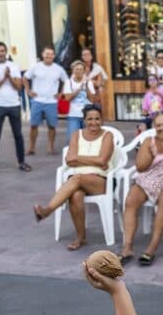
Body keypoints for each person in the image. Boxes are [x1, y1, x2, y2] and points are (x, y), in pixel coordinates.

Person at [33, 105, 115, 251]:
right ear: (84, 120)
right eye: (90, 119)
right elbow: (69, 160)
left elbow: (102, 160)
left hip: (100, 181)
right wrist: (93, 160)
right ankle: (80, 237)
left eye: (97, 119)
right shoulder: (77, 134)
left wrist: (78, 158)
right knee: (75, 195)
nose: (94, 122)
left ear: (102, 120)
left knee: (76, 179)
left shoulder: (107, 135)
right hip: (77, 180)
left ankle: (47, 211)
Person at [120, 112, 163, 266]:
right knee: (130, 200)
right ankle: (127, 247)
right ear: (154, 127)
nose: (162, 128)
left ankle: (152, 247)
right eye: (158, 125)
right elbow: (140, 167)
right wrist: (152, 155)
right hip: (148, 178)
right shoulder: (148, 141)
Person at [0, 41, 30, 174]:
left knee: (18, 135)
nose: (0, 53)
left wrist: (9, 76)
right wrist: (3, 78)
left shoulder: (14, 66)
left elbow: (19, 87)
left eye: (2, 51)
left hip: (14, 105)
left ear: (6, 52)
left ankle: (22, 162)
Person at [24, 46, 67, 155]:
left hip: (51, 102)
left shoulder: (58, 69)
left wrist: (61, 93)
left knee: (52, 126)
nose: (49, 56)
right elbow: (25, 78)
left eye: (51, 54)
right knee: (34, 125)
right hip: (37, 100)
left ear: (54, 56)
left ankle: (50, 148)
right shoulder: (36, 67)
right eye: (47, 54)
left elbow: (66, 81)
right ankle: (32, 147)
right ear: (43, 55)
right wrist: (28, 91)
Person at [62, 60, 99, 143]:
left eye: (80, 69)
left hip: (87, 115)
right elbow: (67, 98)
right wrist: (79, 89)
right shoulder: (68, 82)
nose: (78, 71)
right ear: (73, 70)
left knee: (89, 139)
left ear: (84, 71)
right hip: (74, 115)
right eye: (76, 69)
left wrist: (86, 87)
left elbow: (92, 99)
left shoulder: (89, 82)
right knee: (72, 139)